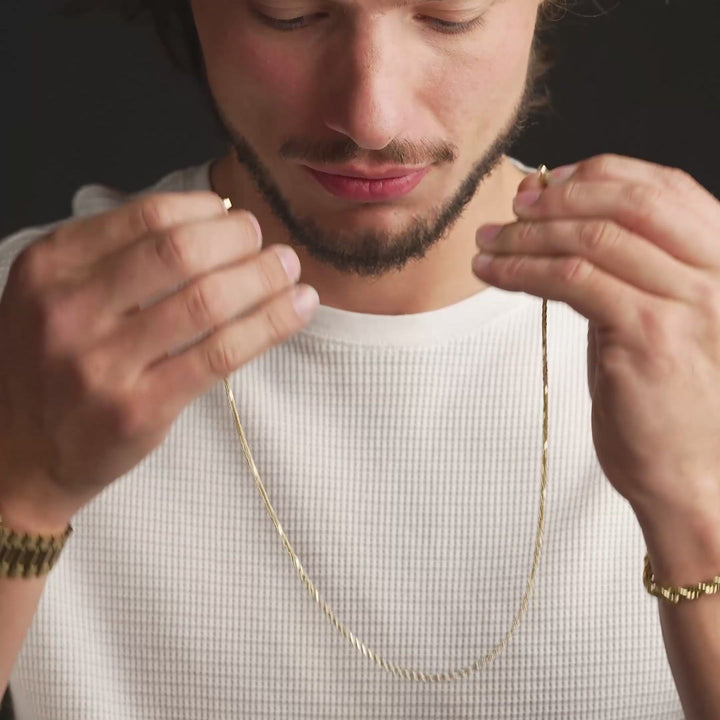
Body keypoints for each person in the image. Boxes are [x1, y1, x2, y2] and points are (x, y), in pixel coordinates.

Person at [1, 0, 718, 717]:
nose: (371, 120)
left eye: (449, 14)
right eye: (289, 12)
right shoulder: (29, 330)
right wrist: (23, 493)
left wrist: (697, 513)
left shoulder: (698, 326)